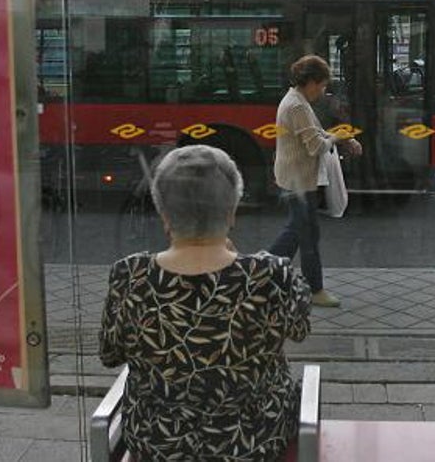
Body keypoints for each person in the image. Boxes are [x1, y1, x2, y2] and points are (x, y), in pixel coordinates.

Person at [99, 145, 312, 461]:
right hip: (254, 444)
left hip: (158, 447)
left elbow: (110, 354)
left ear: (164, 215)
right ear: (231, 212)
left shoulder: (129, 275)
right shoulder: (271, 274)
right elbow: (299, 328)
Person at [268, 55, 362, 308]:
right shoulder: (297, 106)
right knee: (307, 235)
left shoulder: (297, 100)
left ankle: (263, 275)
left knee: (297, 233)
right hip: (298, 180)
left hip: (296, 178)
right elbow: (316, 145)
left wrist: (342, 136)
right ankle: (315, 289)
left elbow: (317, 131)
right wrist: (336, 139)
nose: (322, 91)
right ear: (309, 82)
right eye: (320, 85)